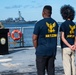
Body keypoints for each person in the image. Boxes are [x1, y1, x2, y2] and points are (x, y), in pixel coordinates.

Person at [32, 5, 58, 75]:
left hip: (41, 51)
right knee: (51, 71)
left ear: (43, 12)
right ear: (51, 13)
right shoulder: (55, 24)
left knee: (41, 72)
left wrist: (37, 48)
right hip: (52, 51)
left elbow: (34, 38)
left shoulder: (39, 24)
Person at [60, 5, 76, 75]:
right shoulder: (74, 24)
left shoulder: (63, 25)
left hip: (66, 47)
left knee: (67, 67)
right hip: (73, 47)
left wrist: (69, 46)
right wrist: (74, 45)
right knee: (73, 65)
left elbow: (62, 37)